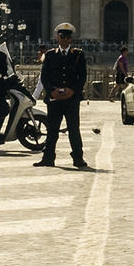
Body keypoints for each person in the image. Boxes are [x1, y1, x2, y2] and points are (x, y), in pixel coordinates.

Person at [35, 23, 90, 169]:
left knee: (74, 129)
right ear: (57, 38)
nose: (65, 39)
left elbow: (82, 76)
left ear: (71, 39)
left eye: (68, 37)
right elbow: (45, 76)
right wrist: (52, 91)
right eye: (62, 37)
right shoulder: (50, 55)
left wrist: (72, 90)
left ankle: (78, 158)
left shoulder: (78, 55)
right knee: (52, 130)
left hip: (71, 98)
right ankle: (48, 157)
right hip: (55, 98)